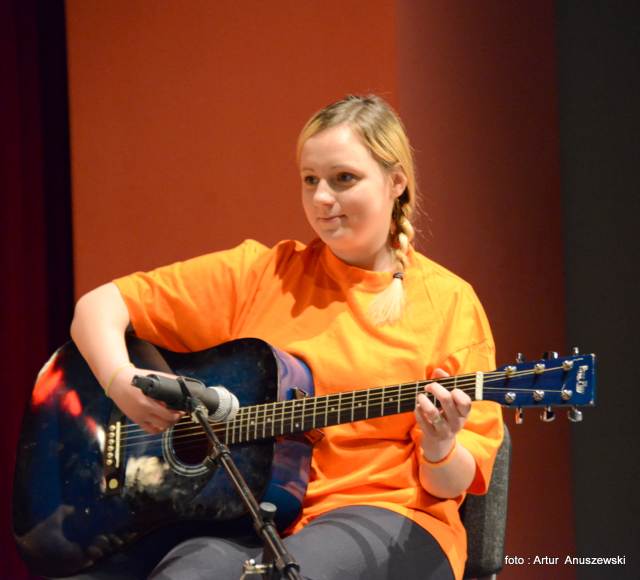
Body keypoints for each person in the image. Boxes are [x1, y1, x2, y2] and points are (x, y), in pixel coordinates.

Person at [71, 95, 503, 580]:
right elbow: (98, 307)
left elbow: (449, 484)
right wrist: (119, 380)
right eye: (310, 180)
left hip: (391, 515)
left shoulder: (448, 302)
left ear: (396, 182)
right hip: (250, 518)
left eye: (344, 178)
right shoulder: (262, 274)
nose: (321, 198)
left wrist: (440, 445)